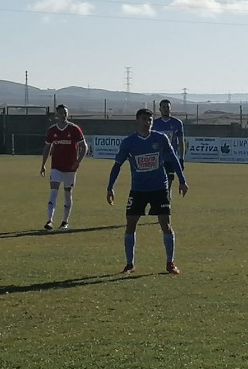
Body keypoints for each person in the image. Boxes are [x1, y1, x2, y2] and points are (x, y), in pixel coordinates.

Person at [107, 108, 188, 274]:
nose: (147, 123)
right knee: (130, 225)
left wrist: (182, 180)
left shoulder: (160, 138)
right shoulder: (129, 142)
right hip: (138, 189)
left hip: (159, 187)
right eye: (144, 119)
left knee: (166, 224)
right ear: (137, 121)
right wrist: (110, 187)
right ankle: (130, 264)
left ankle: (170, 263)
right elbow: (117, 165)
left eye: (149, 120)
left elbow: (173, 158)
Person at [40, 104, 87, 230]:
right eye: (60, 113)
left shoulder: (74, 129)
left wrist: (78, 161)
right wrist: (43, 164)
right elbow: (47, 148)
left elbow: (84, 147)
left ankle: (65, 221)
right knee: (53, 191)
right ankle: (49, 220)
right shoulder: (52, 130)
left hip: (70, 168)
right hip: (56, 167)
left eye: (65, 113)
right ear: (56, 114)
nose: (63, 115)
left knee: (67, 193)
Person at [151, 99, 185, 193]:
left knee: (168, 185)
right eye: (163, 107)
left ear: (170, 108)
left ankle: (167, 204)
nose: (166, 109)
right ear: (160, 109)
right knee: (156, 184)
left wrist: (181, 158)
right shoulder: (155, 123)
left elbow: (181, 141)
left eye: (167, 107)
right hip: (157, 159)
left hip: (170, 158)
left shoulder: (177, 123)